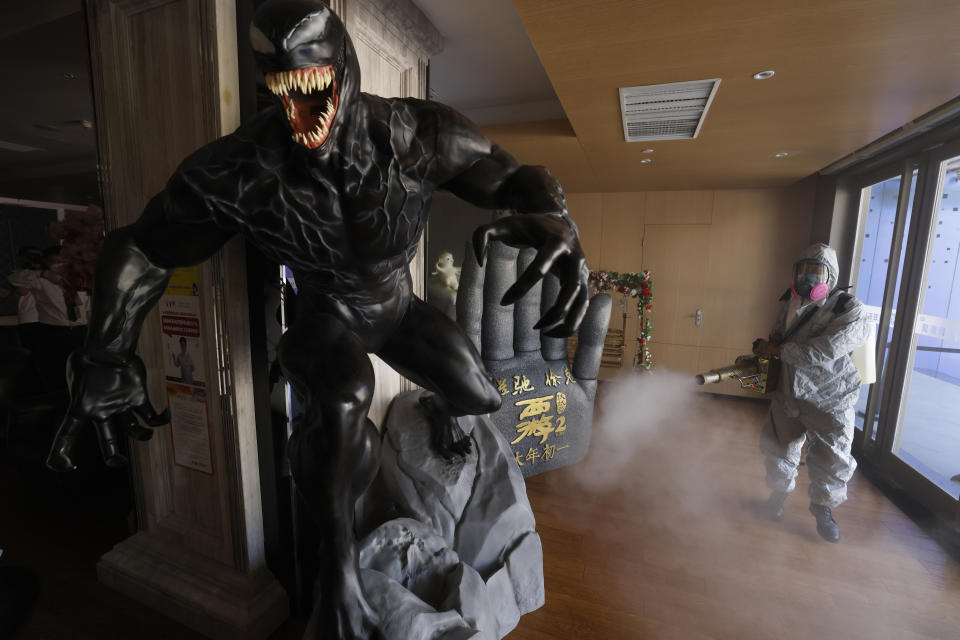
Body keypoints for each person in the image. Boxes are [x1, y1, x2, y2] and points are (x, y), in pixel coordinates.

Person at [45, 2, 591, 637]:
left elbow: (510, 174)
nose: (295, 92)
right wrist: (106, 351)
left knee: (478, 394)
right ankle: (338, 577)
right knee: (343, 397)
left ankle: (443, 484)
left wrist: (557, 218)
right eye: (275, 76)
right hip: (324, 317)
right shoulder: (242, 170)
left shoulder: (412, 135)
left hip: (395, 308)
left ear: (344, 65)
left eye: (309, 69)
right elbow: (144, 245)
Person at [753, 243, 870, 542]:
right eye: (802, 271)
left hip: (832, 395)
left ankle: (822, 509)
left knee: (833, 455)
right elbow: (778, 333)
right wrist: (768, 345)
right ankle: (778, 496)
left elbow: (825, 350)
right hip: (790, 390)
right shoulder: (788, 301)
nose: (807, 278)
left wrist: (780, 349)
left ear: (830, 276)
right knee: (780, 445)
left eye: (815, 272)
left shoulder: (848, 308)